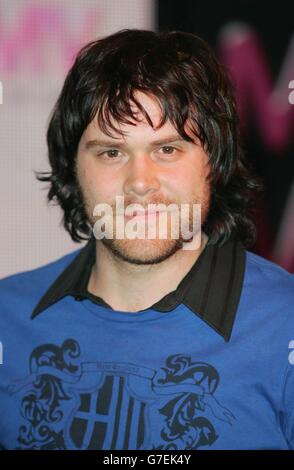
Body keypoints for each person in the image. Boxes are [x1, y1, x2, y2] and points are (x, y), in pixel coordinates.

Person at [0, 28, 293, 451]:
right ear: (73, 170)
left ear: (214, 161)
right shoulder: (7, 321)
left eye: (168, 149)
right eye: (111, 152)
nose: (140, 182)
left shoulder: (286, 325)